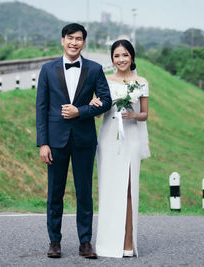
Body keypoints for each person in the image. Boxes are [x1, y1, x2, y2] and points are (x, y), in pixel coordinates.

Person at [36, 23, 112, 259]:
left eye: (79, 39)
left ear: (84, 42)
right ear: (62, 40)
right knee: (54, 193)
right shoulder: (47, 69)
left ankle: (85, 242)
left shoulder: (95, 69)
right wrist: (43, 143)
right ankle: (54, 241)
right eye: (70, 38)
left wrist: (80, 111)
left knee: (84, 193)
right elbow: (41, 108)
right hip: (55, 141)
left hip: (84, 140)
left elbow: (107, 100)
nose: (74, 42)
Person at [90, 39, 150, 258]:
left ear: (132, 57)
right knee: (108, 188)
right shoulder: (104, 80)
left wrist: (133, 115)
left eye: (125, 55)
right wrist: (95, 106)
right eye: (117, 55)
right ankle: (107, 241)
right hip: (108, 138)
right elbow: (98, 113)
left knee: (128, 189)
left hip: (131, 136)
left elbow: (145, 114)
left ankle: (127, 241)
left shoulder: (141, 82)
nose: (121, 59)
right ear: (112, 59)